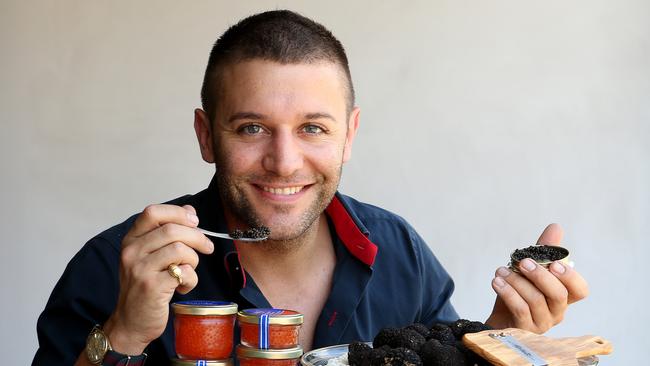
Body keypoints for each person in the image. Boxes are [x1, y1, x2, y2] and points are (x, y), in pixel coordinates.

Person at [33, 10, 589, 366]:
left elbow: (442, 356)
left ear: (348, 136)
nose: (283, 161)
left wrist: (500, 343)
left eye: (312, 128)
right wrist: (124, 334)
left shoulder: (401, 252)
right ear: (207, 136)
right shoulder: (114, 266)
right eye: (251, 128)